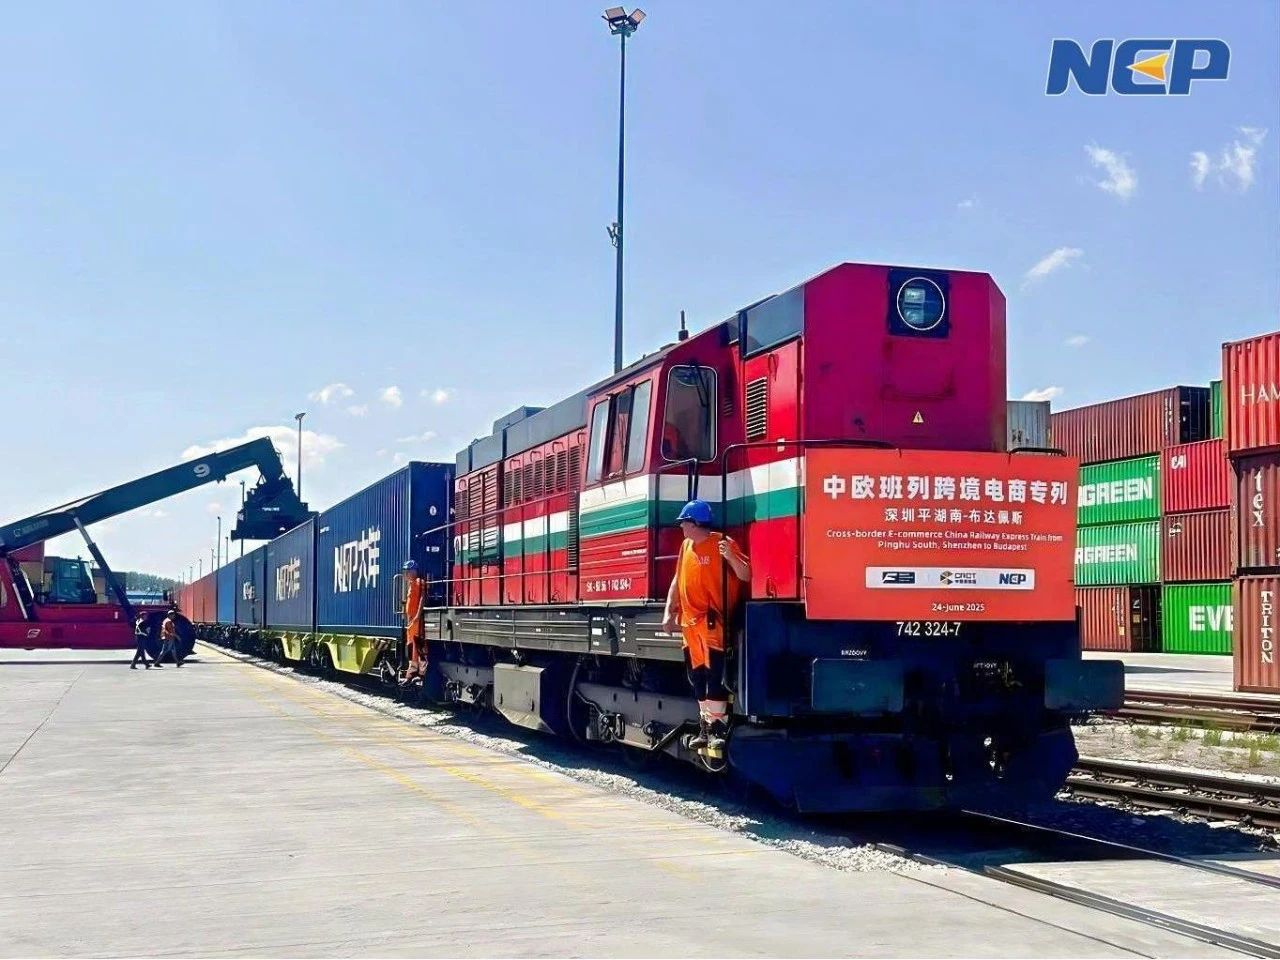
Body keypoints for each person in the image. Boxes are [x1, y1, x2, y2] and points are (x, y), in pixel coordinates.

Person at [661, 499, 750, 753]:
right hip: (689, 625)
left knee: (714, 676)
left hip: (712, 623)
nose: (681, 527)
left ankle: (718, 728)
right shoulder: (685, 546)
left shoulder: (722, 543)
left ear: (695, 523)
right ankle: (706, 727)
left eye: (684, 522)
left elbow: (745, 574)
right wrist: (669, 611)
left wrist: (730, 556)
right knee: (697, 677)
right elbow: (677, 580)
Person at [401, 560, 427, 684]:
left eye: (408, 571)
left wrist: (417, 615)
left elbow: (422, 598)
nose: (406, 574)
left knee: (419, 646)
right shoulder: (411, 584)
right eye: (405, 571)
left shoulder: (419, 582)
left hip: (416, 620)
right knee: (411, 646)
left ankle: (421, 674)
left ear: (414, 571)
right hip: (411, 620)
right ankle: (411, 674)